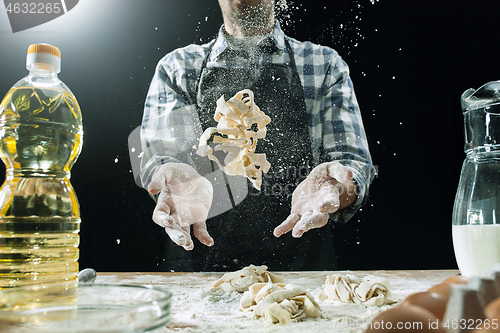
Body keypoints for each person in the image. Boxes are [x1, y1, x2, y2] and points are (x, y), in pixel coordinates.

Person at [139, 0, 375, 272]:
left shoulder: (324, 64)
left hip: (304, 270)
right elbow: (162, 159)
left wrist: (334, 185)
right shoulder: (177, 68)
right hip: (198, 269)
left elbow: (352, 164)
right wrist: (171, 175)